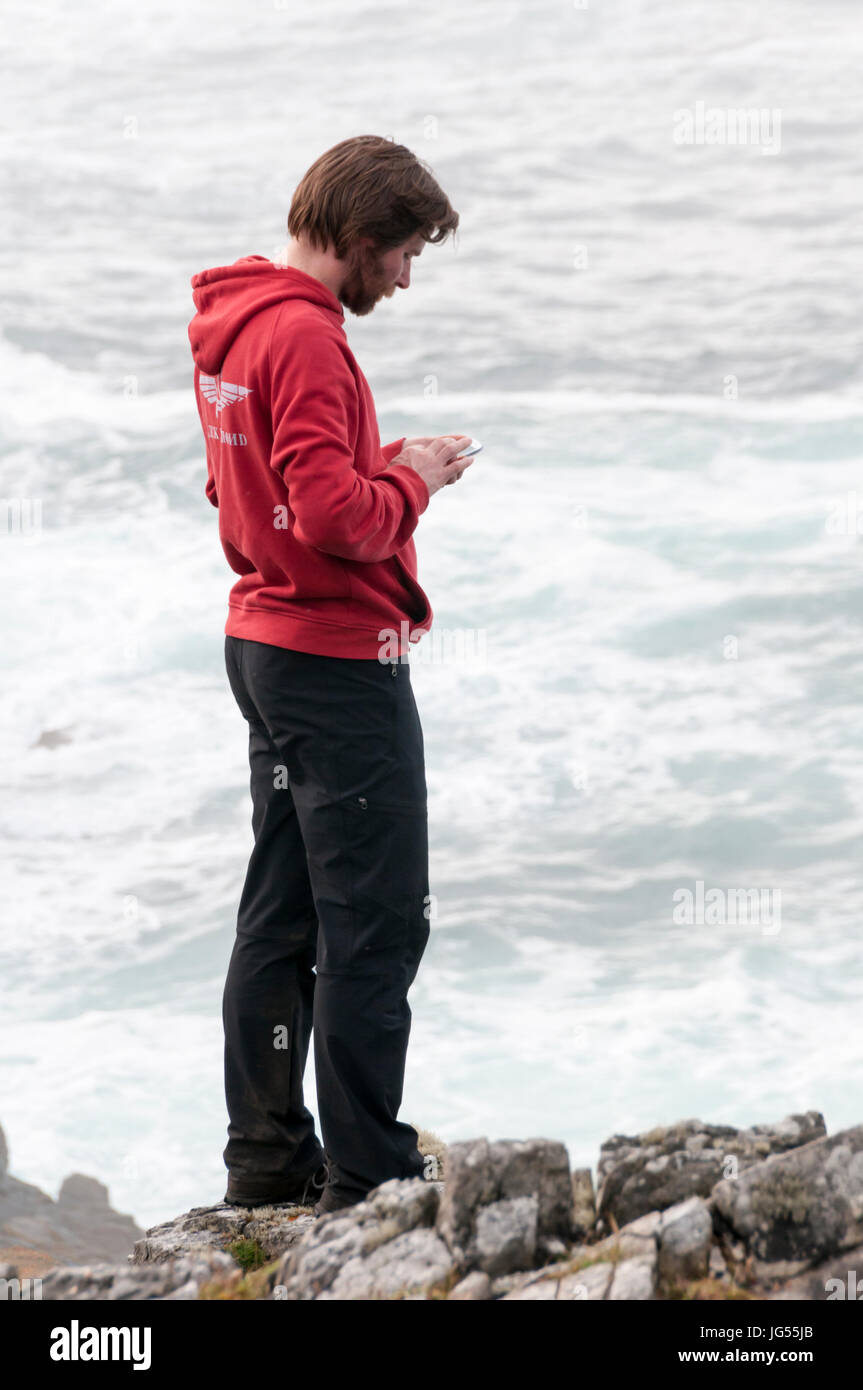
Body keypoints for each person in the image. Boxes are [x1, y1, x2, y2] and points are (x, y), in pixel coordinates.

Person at [187, 135, 475, 1216]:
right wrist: (412, 484)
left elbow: (251, 484)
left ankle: (266, 1156)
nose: (404, 278)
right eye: (403, 254)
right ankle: (369, 1177)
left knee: (284, 911)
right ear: (358, 238)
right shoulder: (307, 335)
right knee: (377, 919)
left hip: (262, 643)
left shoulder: (236, 319)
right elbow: (335, 518)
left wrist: (383, 463)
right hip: (332, 662)